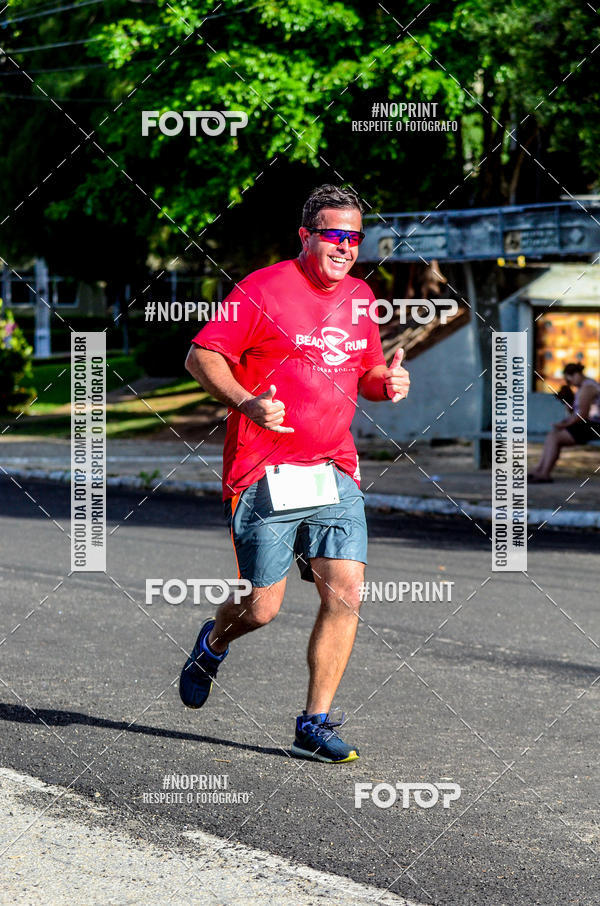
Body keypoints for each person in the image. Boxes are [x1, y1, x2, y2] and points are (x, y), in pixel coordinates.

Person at [179, 184, 410, 763]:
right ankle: (213, 642)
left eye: (355, 237)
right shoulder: (262, 289)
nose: (346, 246)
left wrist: (387, 383)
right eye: (333, 235)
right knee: (261, 607)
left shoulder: (361, 297)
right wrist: (247, 402)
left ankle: (314, 723)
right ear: (306, 236)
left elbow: (366, 373)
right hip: (265, 471)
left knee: (346, 592)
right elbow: (201, 356)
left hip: (334, 467)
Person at [529, 362, 600, 483]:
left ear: (576, 374)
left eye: (570, 379)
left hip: (594, 427)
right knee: (553, 435)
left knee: (555, 437)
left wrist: (564, 425)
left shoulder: (588, 388)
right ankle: (540, 470)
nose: (570, 383)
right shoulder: (583, 388)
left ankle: (544, 473)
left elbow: (582, 415)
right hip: (588, 425)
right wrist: (567, 403)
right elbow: (577, 413)